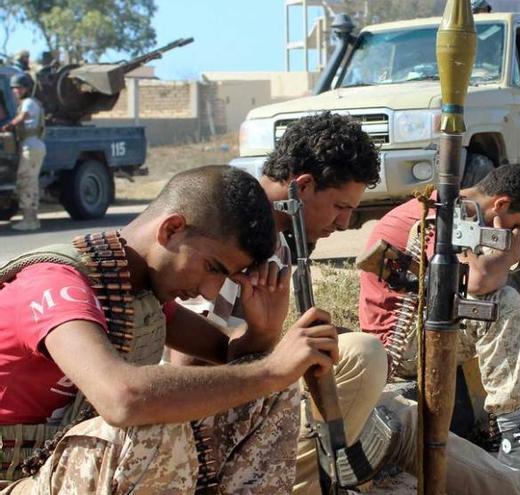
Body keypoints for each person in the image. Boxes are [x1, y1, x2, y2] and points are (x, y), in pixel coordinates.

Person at [0, 165, 342, 493]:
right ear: (171, 229)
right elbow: (122, 399)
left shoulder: (137, 294)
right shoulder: (52, 284)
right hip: (13, 481)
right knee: (154, 421)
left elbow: (231, 360)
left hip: (56, 469)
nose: (211, 290)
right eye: (212, 267)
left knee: (272, 392)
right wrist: (271, 369)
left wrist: (263, 334)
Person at [167, 113, 389, 495]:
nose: (344, 223)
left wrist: (271, 340)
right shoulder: (235, 230)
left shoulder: (279, 239)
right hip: (192, 431)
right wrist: (275, 354)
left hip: (236, 404)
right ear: (302, 187)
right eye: (340, 206)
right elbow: (186, 366)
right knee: (362, 353)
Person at [360, 163, 520, 486]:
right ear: (501, 204)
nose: (514, 233)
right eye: (514, 224)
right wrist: (509, 256)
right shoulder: (440, 213)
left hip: (432, 321)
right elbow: (479, 282)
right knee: (503, 299)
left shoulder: (469, 209)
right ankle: (513, 436)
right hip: (404, 346)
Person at [0, 73, 45, 231]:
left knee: (27, 182)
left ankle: (30, 220)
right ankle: (30, 218)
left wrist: (9, 125)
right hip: (30, 145)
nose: (15, 91)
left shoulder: (29, 103)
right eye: (13, 88)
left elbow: (22, 117)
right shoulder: (26, 103)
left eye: (19, 87)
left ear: (26, 88)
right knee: (26, 181)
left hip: (32, 145)